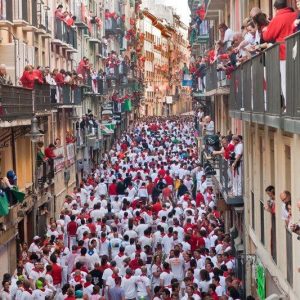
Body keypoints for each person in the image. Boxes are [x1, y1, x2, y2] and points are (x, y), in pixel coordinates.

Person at [262, 0, 297, 105]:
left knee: (286, 81)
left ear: (276, 8)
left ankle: (289, 106)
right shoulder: (295, 15)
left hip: (283, 53)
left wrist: (265, 30)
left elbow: (268, 36)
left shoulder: (277, 19)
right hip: (296, 49)